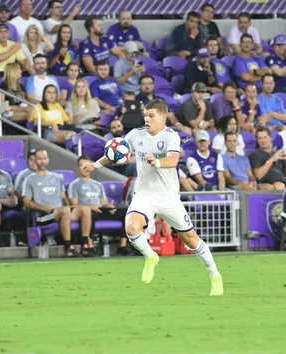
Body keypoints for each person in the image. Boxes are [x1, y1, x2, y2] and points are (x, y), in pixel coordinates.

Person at [81, 99, 224, 296]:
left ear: (163, 117)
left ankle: (214, 275)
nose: (146, 119)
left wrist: (156, 162)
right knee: (131, 227)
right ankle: (150, 256)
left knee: (191, 240)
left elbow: (173, 160)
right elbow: (116, 150)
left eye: (151, 116)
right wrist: (94, 165)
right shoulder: (135, 134)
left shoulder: (170, 137)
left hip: (168, 198)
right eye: (145, 116)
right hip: (144, 195)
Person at [22, 149, 80, 257]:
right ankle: (68, 247)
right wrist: (43, 208)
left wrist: (70, 206)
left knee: (84, 209)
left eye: (44, 158)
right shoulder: (29, 179)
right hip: (43, 216)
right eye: (39, 159)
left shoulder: (56, 178)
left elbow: (63, 196)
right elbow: (26, 202)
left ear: (48, 160)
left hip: (60, 212)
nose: (42, 161)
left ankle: (88, 246)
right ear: (35, 160)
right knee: (65, 211)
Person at [70, 156, 131, 256]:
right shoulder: (75, 184)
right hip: (88, 211)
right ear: (78, 168)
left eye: (87, 165)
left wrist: (109, 207)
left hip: (101, 210)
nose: (85, 168)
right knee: (90, 213)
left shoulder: (97, 184)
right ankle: (89, 247)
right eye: (82, 165)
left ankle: (122, 246)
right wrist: (90, 206)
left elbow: (104, 202)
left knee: (126, 212)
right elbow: (74, 204)